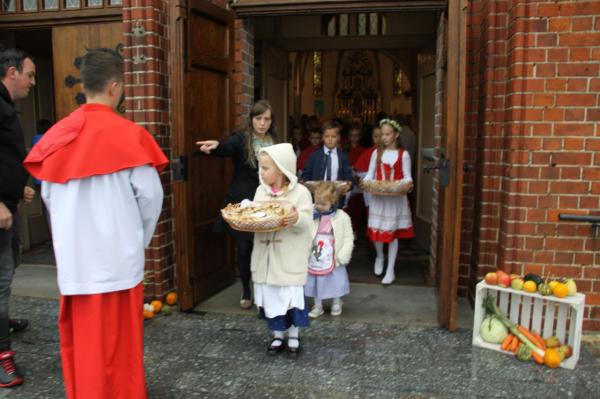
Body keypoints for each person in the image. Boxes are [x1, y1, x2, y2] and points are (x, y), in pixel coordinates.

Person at [24, 49, 168, 399]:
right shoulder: (131, 135)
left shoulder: (56, 138)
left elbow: (49, 198)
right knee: (122, 351)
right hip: (119, 263)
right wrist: (137, 240)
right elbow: (151, 198)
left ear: (85, 85)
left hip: (77, 265)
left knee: (84, 349)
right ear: (116, 87)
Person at [196, 100, 276, 309]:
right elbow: (227, 146)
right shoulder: (242, 138)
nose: (262, 123)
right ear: (252, 119)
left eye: (266, 119)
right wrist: (217, 147)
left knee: (264, 246)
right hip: (244, 200)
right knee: (243, 247)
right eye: (258, 118)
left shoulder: (275, 141)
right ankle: (246, 289)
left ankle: (262, 288)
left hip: (268, 200)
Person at [251, 143, 313, 357]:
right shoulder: (261, 191)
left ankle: (294, 336)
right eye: (261, 167)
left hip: (288, 259)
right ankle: (278, 335)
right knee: (271, 298)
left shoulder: (301, 193)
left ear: (281, 169)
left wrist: (296, 218)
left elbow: (306, 221)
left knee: (290, 299)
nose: (261, 172)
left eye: (266, 168)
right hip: (266, 259)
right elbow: (255, 215)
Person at [0, 46, 36, 388]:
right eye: (30, 74)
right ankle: (2, 358)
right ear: (12, 72)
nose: (32, 82)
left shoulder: (6, 106)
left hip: (8, 204)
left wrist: (14, 190)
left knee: (7, 275)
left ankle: (3, 321)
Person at [363, 119, 414, 285]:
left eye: (387, 134)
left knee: (392, 234)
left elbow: (407, 177)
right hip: (379, 198)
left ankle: (390, 269)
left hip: (395, 201)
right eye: (382, 134)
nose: (383, 138)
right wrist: (368, 183)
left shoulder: (403, 155)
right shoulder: (376, 153)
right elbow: (369, 175)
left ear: (396, 135)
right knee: (378, 231)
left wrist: (400, 185)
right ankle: (380, 256)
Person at [305, 182, 354, 318]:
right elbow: (305, 232)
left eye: (323, 204)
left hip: (333, 253)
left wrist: (342, 255)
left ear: (332, 202)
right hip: (316, 253)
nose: (318, 206)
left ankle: (337, 302)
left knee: (335, 280)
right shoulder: (312, 214)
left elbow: (348, 237)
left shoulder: (342, 217)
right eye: (317, 203)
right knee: (316, 279)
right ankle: (318, 304)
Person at [301, 120, 353, 193]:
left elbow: (347, 175)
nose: (330, 139)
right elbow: (306, 175)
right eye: (327, 136)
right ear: (322, 137)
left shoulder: (343, 157)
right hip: (317, 196)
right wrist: (304, 182)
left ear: (338, 137)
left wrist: (349, 184)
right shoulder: (314, 156)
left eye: (333, 136)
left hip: (336, 196)